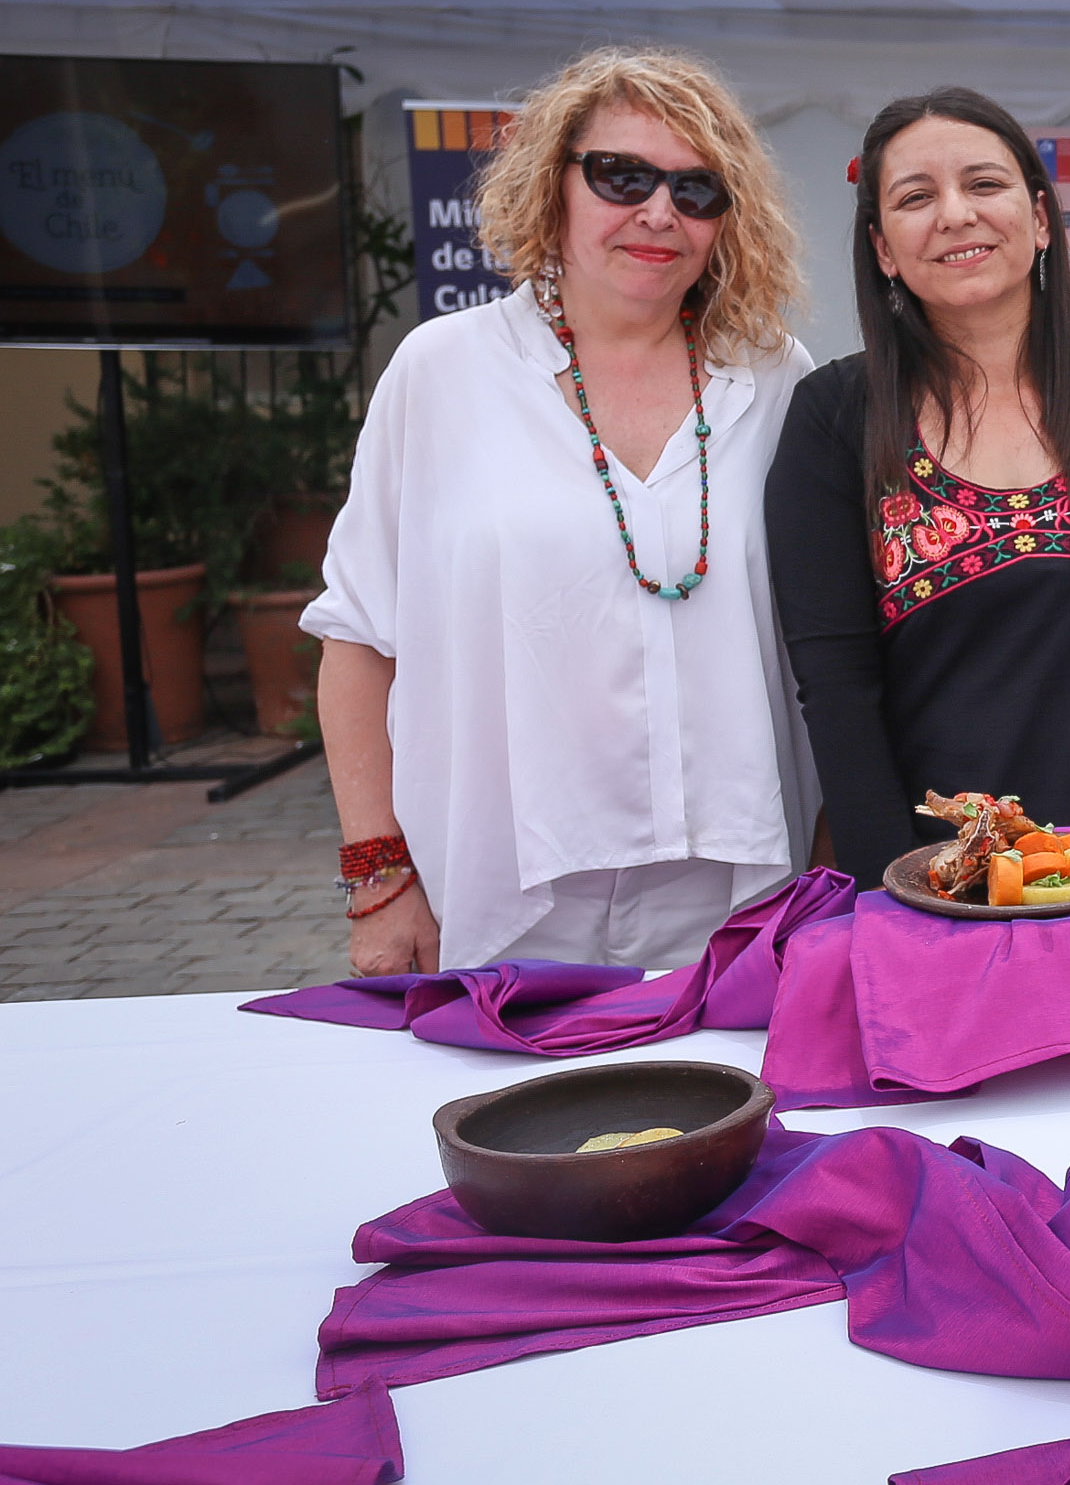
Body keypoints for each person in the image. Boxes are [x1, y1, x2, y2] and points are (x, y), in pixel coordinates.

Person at [308, 48, 816, 973]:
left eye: (698, 190)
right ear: (556, 183)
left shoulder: (777, 376)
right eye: (623, 176)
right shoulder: (441, 372)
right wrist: (378, 879)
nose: (659, 213)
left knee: (723, 1117)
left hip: (735, 901)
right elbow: (356, 638)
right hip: (504, 893)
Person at [764, 89, 1070, 887]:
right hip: (938, 879)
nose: (956, 214)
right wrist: (908, 889)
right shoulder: (835, 417)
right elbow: (837, 689)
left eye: (984, 184)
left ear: (1043, 217)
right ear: (882, 247)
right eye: (917, 197)